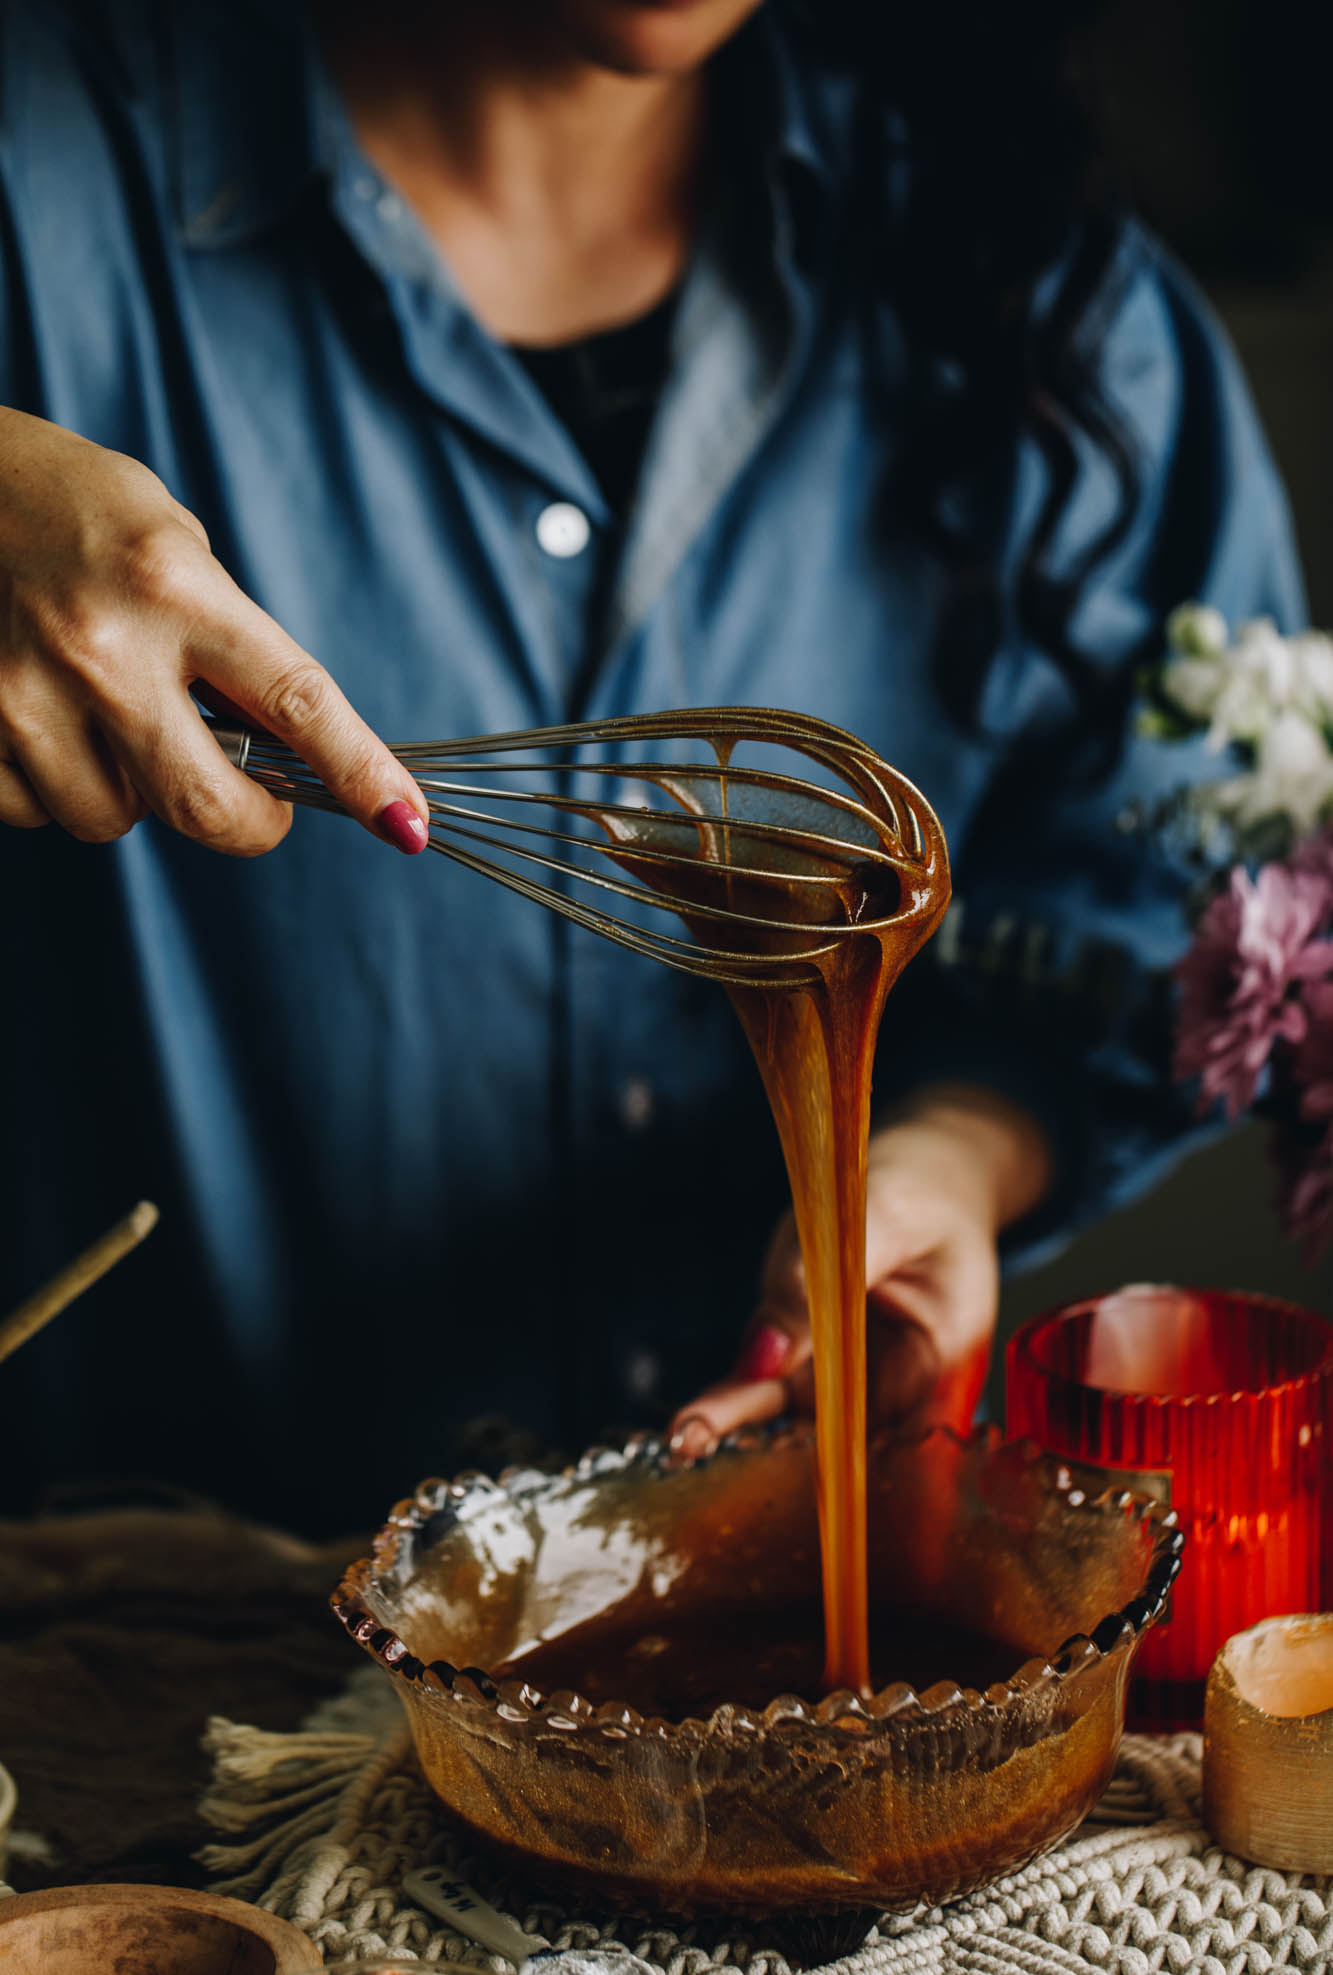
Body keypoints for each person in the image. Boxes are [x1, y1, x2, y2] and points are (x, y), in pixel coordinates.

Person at [0, 0, 1303, 1533]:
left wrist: (945, 1157)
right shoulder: (45, 184)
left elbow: (1168, 899)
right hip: (131, 1667)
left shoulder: (1060, 311)